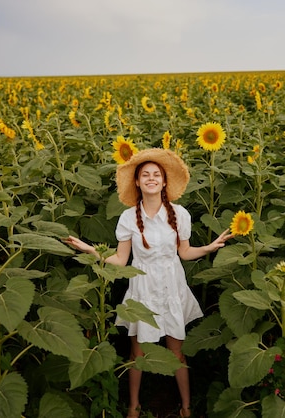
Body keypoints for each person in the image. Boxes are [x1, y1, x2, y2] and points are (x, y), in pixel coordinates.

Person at [65, 148, 232, 418]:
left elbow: (185, 253)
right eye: (146, 175)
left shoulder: (180, 214)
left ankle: (187, 407)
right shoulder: (128, 217)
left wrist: (210, 248)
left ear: (164, 182)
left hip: (171, 284)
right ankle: (134, 407)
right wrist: (89, 250)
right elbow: (120, 260)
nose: (151, 178)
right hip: (141, 286)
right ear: (138, 182)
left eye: (157, 175)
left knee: (176, 350)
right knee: (137, 353)